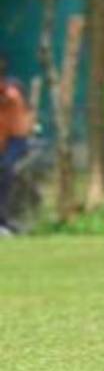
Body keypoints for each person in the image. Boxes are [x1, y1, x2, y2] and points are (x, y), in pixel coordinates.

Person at [0, 54, 34, 235]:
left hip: (16, 140)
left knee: (5, 170)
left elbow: (11, 100)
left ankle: (3, 221)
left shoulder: (13, 89)